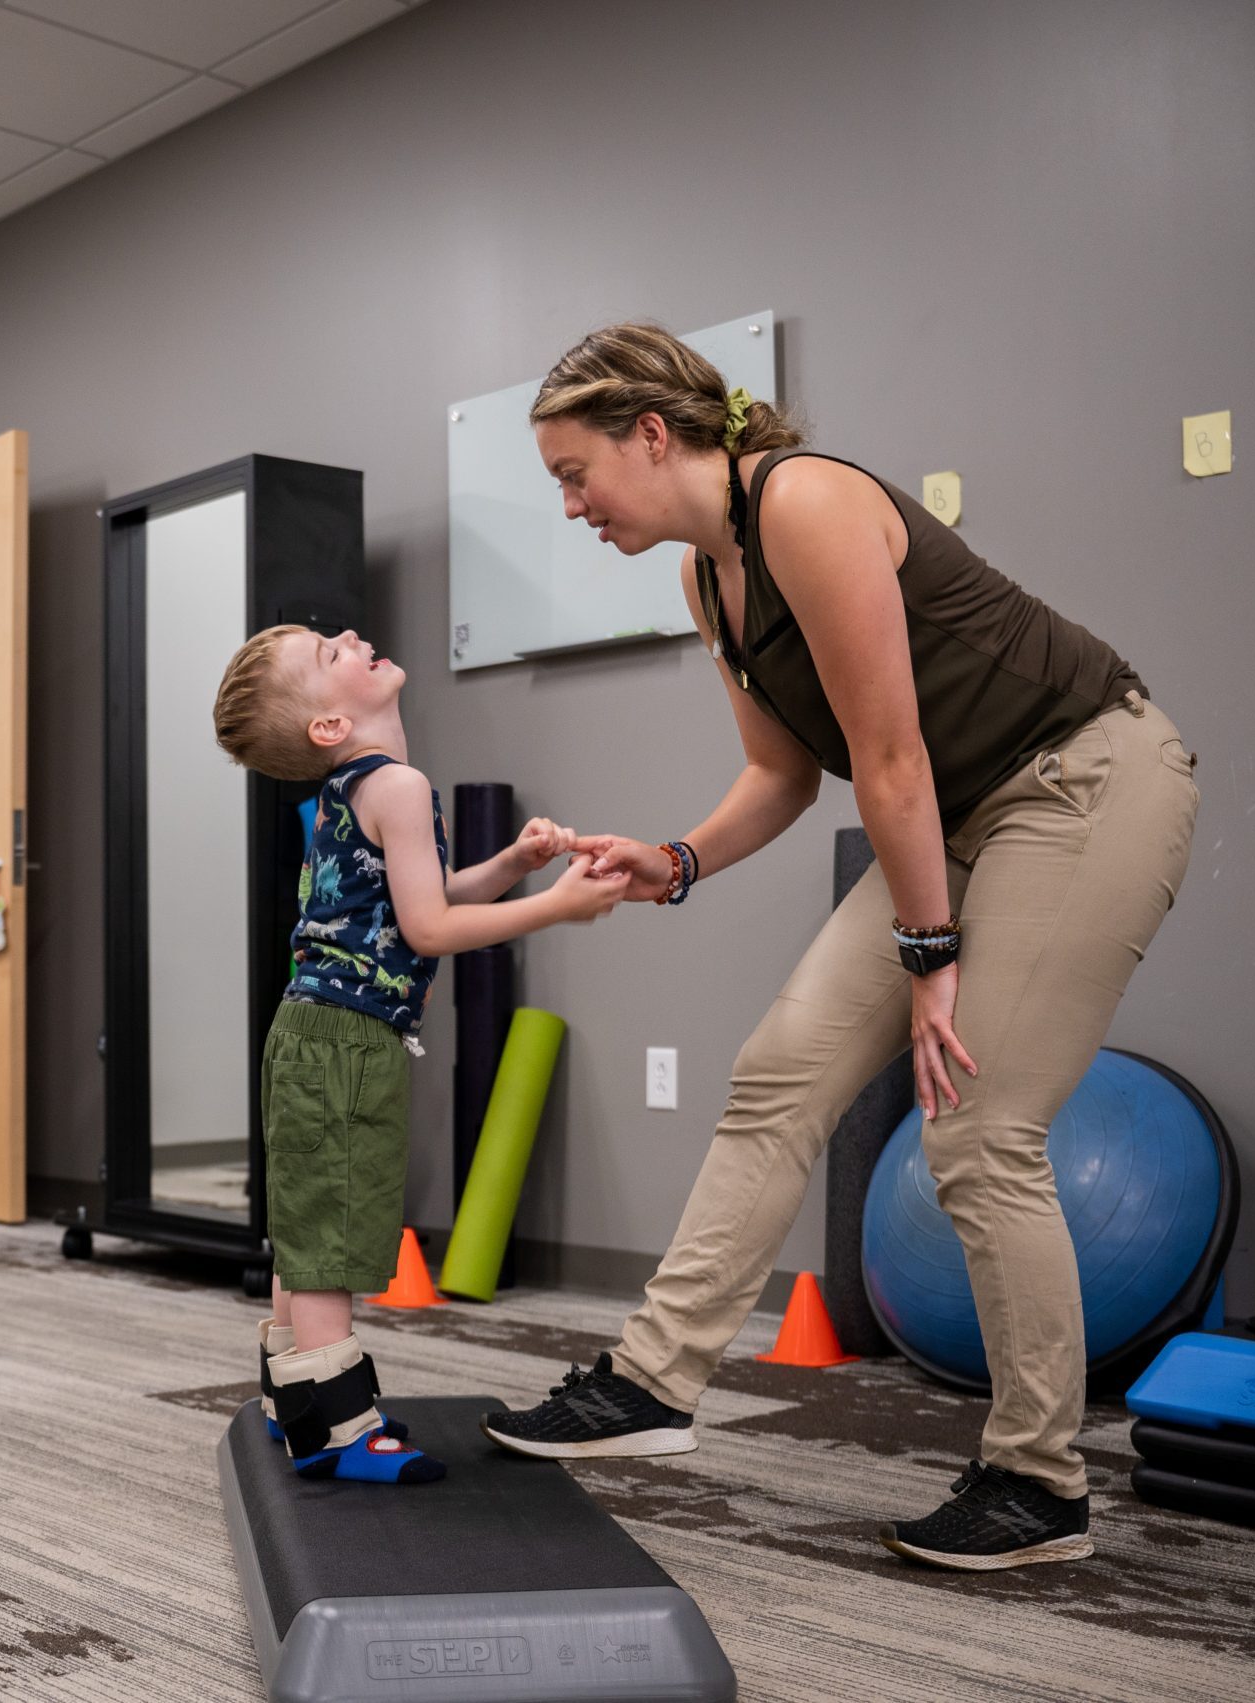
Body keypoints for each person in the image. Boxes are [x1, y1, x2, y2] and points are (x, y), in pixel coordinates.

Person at [483, 323, 1200, 1570]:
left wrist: (930, 957)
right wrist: (678, 859)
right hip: (960, 813)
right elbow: (782, 772)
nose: (569, 505)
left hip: (1085, 779)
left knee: (977, 1127)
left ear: (652, 435)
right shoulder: (707, 578)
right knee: (779, 1069)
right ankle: (652, 1382)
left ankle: (1039, 1480)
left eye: (573, 471)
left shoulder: (803, 503)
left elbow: (891, 756)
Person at [213, 623, 625, 1482]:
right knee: (330, 1234)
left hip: (308, 1032)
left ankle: (298, 1400)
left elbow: (421, 895)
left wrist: (512, 862)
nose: (351, 636)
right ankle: (338, 1430)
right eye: (330, 652)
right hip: (344, 1040)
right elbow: (430, 927)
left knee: (307, 1225)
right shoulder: (397, 784)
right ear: (329, 724)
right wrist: (556, 907)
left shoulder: (357, 787)